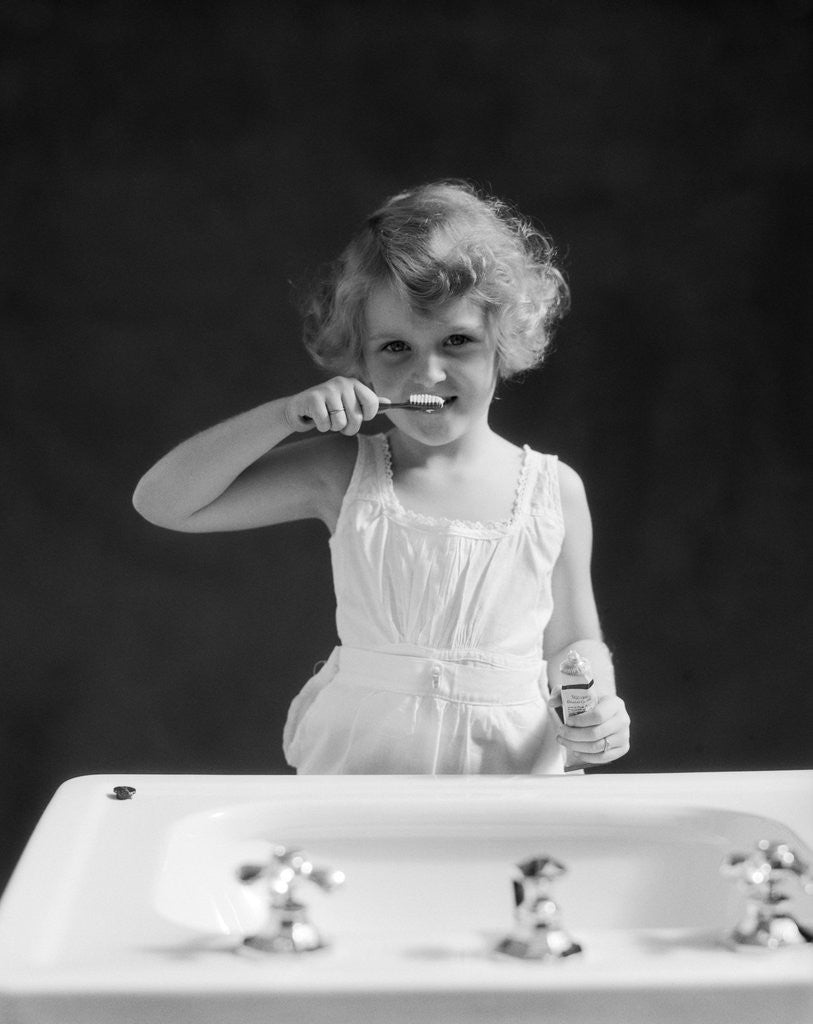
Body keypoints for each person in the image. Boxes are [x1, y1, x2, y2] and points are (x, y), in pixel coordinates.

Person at [132, 180, 630, 775]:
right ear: (360, 360)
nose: (428, 372)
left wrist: (595, 702)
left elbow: (574, 641)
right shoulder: (342, 472)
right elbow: (163, 502)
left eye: (457, 341)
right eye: (396, 347)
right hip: (361, 767)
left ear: (503, 342)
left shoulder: (554, 491)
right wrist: (283, 416)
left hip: (509, 773)